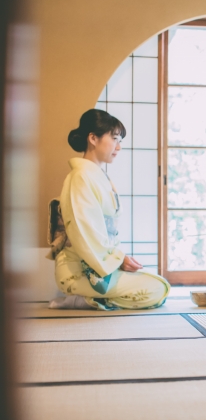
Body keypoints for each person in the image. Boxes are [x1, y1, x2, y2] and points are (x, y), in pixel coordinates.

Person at [48, 109, 170, 310]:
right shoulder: (80, 177)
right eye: (114, 139)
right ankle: (82, 299)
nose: (118, 147)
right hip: (79, 269)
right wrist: (119, 259)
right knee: (156, 289)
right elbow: (84, 231)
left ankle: (90, 298)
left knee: (159, 284)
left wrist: (117, 258)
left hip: (99, 264)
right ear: (93, 138)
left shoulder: (96, 176)